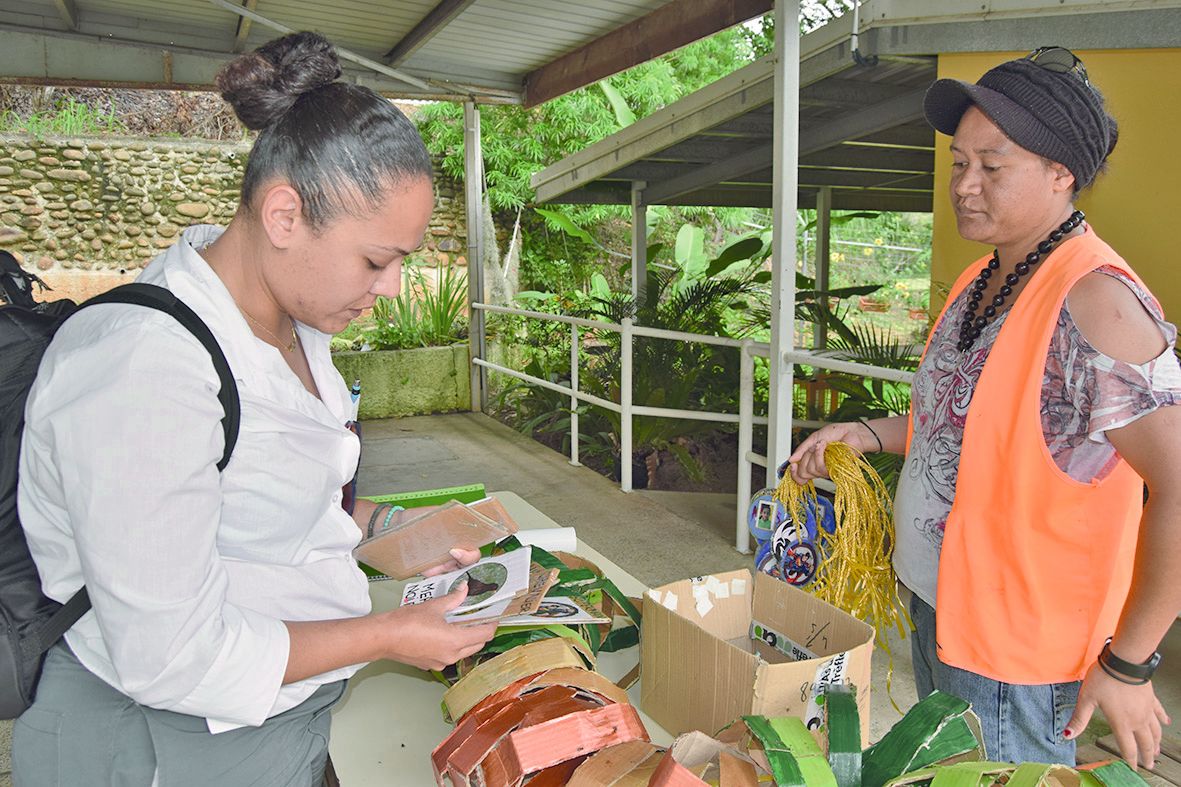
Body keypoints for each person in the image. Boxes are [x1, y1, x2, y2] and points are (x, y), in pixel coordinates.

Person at [13, 32, 496, 786]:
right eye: (378, 260)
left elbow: (268, 505)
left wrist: (395, 532)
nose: (394, 288)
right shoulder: (143, 372)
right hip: (168, 742)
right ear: (283, 216)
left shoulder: (290, 320)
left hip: (277, 710)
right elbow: (172, 652)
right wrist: (389, 633)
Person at [787, 47, 1179, 767]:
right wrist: (870, 433)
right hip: (942, 611)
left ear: (1062, 174)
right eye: (957, 162)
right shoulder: (983, 276)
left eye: (991, 167)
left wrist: (1130, 662)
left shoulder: (1095, 303)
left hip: (1018, 656)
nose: (963, 186)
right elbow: (976, 425)